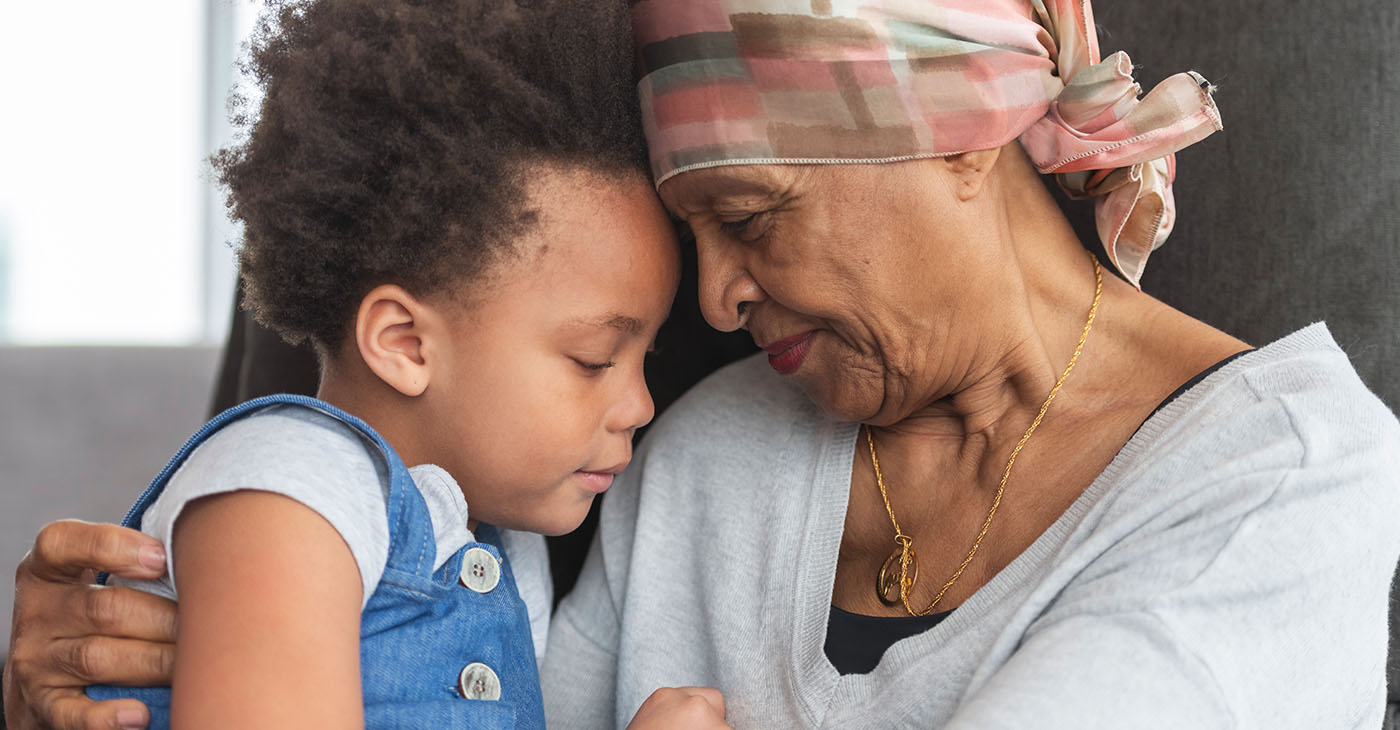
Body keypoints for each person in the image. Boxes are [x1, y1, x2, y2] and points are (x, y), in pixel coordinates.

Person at [6, 0, 1400, 728]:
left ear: (962, 138)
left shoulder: (1286, 482)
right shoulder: (721, 443)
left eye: (752, 217)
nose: (719, 306)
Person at [4, 0, 734, 728]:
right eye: (594, 358)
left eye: (647, 356)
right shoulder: (288, 497)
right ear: (404, 343)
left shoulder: (492, 542)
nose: (641, 405)